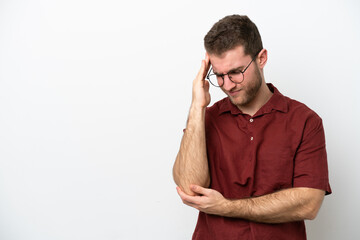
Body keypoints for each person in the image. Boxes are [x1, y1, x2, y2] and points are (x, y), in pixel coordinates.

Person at [172, 14, 331, 240]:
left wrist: (226, 207)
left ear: (261, 58)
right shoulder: (205, 118)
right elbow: (190, 189)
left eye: (236, 72)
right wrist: (197, 107)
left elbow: (309, 204)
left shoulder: (305, 121)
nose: (227, 85)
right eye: (218, 75)